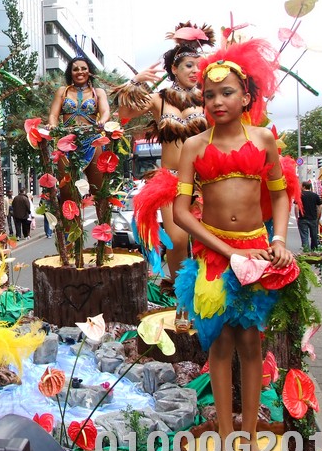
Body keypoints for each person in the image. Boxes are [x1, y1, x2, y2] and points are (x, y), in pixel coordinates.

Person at [173, 38, 296, 451]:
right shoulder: (193, 145)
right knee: (220, 344)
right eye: (209, 94)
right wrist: (226, 250)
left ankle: (251, 438)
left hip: (257, 254)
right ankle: (225, 440)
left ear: (246, 97)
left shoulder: (264, 139)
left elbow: (280, 196)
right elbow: (181, 211)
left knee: (251, 344)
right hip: (213, 255)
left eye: (227, 92)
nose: (217, 101)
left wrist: (278, 241)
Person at [117, 22, 215, 329]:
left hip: (205, 180)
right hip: (171, 180)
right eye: (188, 65)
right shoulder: (159, 99)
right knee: (177, 239)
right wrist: (135, 82)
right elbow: (124, 115)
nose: (195, 71)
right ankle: (182, 303)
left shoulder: (208, 98)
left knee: (208, 241)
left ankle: (207, 301)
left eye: (198, 66)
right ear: (174, 68)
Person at [47, 56, 111, 220]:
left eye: (83, 68)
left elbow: (105, 112)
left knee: (99, 191)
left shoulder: (99, 92)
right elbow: (53, 115)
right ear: (70, 72)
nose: (79, 72)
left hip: (93, 141)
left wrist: (103, 121)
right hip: (66, 143)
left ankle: (105, 233)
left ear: (90, 71)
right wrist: (52, 125)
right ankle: (71, 233)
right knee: (67, 191)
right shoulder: (63, 92)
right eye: (75, 69)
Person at [296, 180, 322, 250]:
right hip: (313, 218)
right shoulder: (315, 195)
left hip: (302, 218)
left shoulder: (300, 195)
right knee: (314, 235)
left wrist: (297, 216)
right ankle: (314, 249)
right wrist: (317, 216)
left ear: (304, 187)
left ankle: (306, 250)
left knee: (304, 235)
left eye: (301, 186)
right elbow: (320, 207)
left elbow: (296, 206)